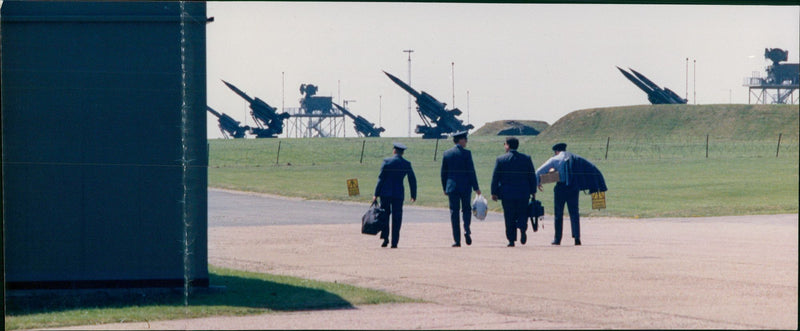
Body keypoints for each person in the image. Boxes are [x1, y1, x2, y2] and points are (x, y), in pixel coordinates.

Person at [490, 137, 538, 247]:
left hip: (507, 194)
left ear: (507, 145)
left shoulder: (501, 159)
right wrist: (533, 190)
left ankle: (511, 239)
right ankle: (522, 230)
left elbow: (495, 177)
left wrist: (494, 192)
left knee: (509, 216)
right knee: (522, 213)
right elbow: (532, 176)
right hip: (523, 192)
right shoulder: (526, 158)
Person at [441, 131, 481, 247]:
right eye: (465, 139)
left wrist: (445, 187)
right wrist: (476, 188)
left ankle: (457, 240)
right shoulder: (467, 154)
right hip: (465, 186)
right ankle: (467, 229)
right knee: (466, 209)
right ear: (460, 140)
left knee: (454, 212)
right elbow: (471, 171)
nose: (466, 142)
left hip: (452, 187)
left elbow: (443, 173)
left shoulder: (447, 153)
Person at [373, 142, 417, 248]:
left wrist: (376, 194)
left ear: (394, 151)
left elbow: (381, 178)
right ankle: (395, 242)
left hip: (385, 193)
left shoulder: (387, 162)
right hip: (398, 194)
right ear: (402, 153)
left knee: (385, 216)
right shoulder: (406, 163)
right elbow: (412, 180)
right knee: (397, 218)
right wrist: (413, 194)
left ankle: (385, 238)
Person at [536, 142, 581, 246]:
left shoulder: (555, 159)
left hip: (561, 188)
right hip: (573, 188)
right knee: (574, 213)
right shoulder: (574, 158)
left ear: (556, 151)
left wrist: (538, 183)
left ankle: (557, 239)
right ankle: (577, 237)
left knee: (558, 214)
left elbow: (538, 171)